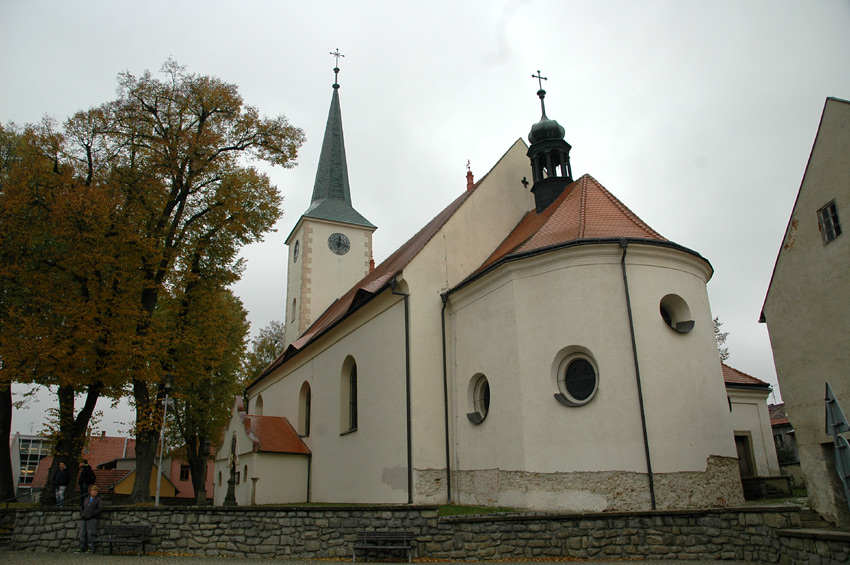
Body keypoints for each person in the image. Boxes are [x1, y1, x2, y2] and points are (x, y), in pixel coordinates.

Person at [77, 484, 102, 553]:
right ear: (90, 491)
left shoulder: (98, 500)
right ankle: (82, 547)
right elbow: (82, 508)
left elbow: (99, 509)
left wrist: (92, 514)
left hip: (92, 518)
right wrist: (82, 514)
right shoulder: (86, 500)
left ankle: (90, 548)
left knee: (90, 533)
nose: (94, 492)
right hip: (84, 518)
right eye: (93, 491)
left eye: (95, 491)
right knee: (83, 533)